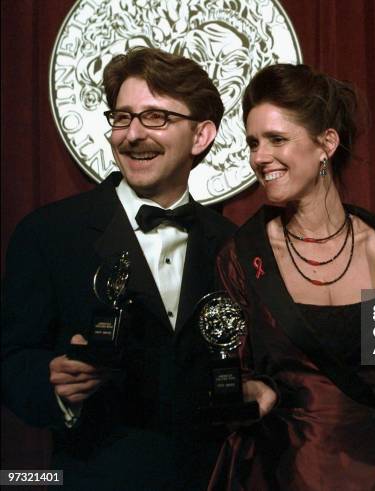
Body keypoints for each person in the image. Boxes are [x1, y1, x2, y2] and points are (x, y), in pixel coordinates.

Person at [1, 47, 244, 490]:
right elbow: (11, 358)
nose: (132, 134)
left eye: (155, 118)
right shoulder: (48, 233)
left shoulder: (233, 244)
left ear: (201, 135)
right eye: (121, 117)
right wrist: (52, 380)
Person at [209, 63, 375, 490]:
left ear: (326, 143)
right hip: (283, 472)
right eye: (253, 142)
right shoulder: (242, 256)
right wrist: (247, 392)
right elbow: (228, 374)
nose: (260, 156)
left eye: (277, 139)